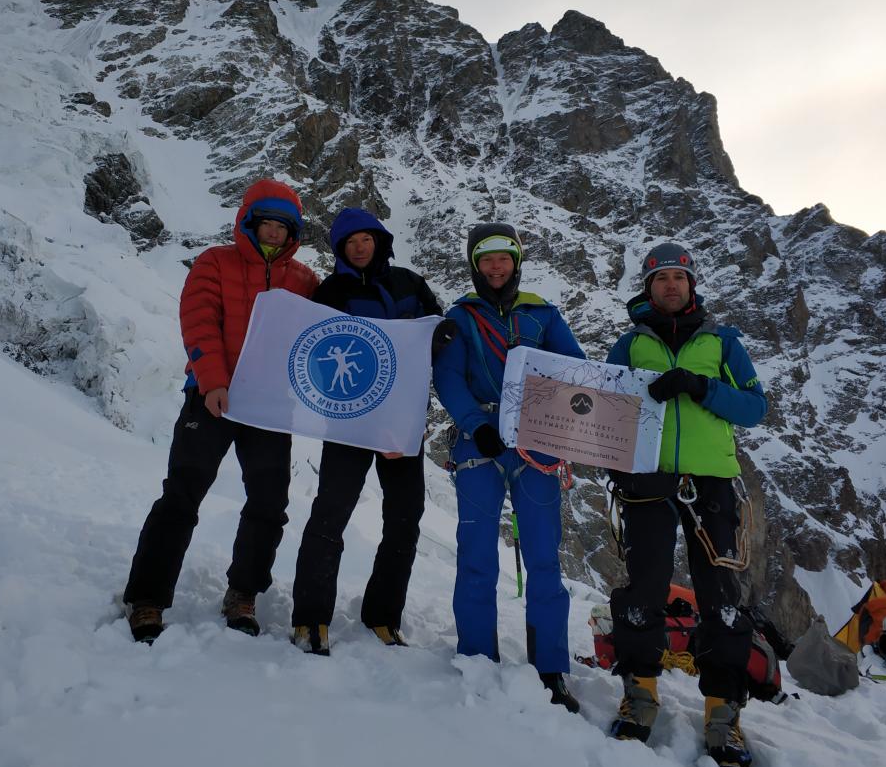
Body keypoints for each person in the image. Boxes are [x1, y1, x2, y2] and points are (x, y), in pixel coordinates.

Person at [123, 179, 319, 643]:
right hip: (212, 397)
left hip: (269, 408)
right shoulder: (216, 262)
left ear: (293, 233)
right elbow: (198, 319)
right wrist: (212, 381)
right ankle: (147, 596)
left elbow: (325, 332)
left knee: (269, 504)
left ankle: (243, 593)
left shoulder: (305, 280)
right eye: (267, 224)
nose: (273, 233)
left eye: (282, 227)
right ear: (250, 223)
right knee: (182, 495)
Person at [604, 242, 767, 767]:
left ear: (691, 285)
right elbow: (605, 408)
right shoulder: (629, 345)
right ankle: (640, 696)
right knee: (643, 586)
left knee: (721, 596)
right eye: (660, 279)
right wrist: (615, 463)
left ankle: (724, 714)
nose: (670, 286)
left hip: (712, 481)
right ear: (647, 289)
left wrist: (702, 387)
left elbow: (755, 407)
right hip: (647, 477)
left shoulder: (723, 343)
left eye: (678, 277)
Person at [432, 223, 585, 713]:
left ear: (516, 262)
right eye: (486, 259)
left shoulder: (543, 315)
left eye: (503, 258)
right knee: (475, 554)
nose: (495, 267)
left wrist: (547, 422)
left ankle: (550, 668)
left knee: (543, 558)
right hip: (480, 447)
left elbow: (575, 370)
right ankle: (477, 655)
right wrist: (477, 423)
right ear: (475, 265)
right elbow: (449, 376)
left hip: (535, 448)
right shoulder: (461, 317)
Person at [289, 207, 445, 655]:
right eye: (350, 242)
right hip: (349, 419)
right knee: (330, 513)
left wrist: (439, 339)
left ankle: (383, 616)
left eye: (367, 239)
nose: (360, 247)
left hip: (402, 422)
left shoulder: (409, 283)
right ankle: (310, 616)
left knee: (404, 519)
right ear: (340, 249)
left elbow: (436, 332)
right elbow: (313, 351)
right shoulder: (330, 291)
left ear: (380, 242)